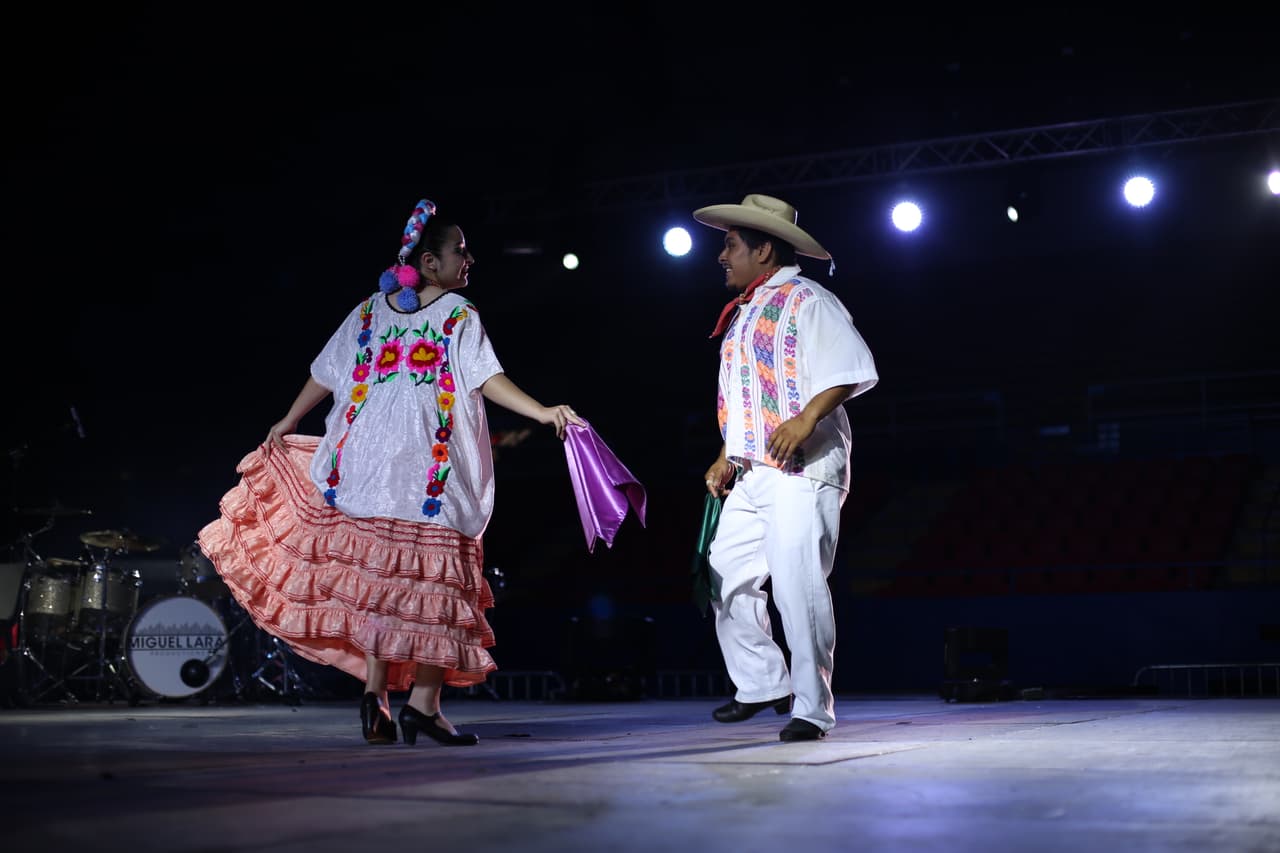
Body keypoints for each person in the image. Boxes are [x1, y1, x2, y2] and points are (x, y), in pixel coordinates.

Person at [198, 198, 583, 746]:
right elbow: (484, 378)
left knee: (385, 586)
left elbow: (327, 372)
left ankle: (376, 698)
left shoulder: (371, 311)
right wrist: (542, 410)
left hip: (373, 471)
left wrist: (290, 416)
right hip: (429, 467)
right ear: (429, 262)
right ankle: (423, 705)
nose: (468, 259)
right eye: (460, 251)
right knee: (430, 582)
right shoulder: (455, 314)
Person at [694, 193, 878, 742]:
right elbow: (747, 396)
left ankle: (812, 707)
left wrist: (806, 418)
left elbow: (850, 365)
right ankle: (762, 684)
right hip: (753, 470)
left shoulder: (808, 299)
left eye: (730, 246)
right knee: (723, 573)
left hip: (804, 464)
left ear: (763, 248)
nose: (722, 257)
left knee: (797, 585)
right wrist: (727, 453)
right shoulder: (746, 312)